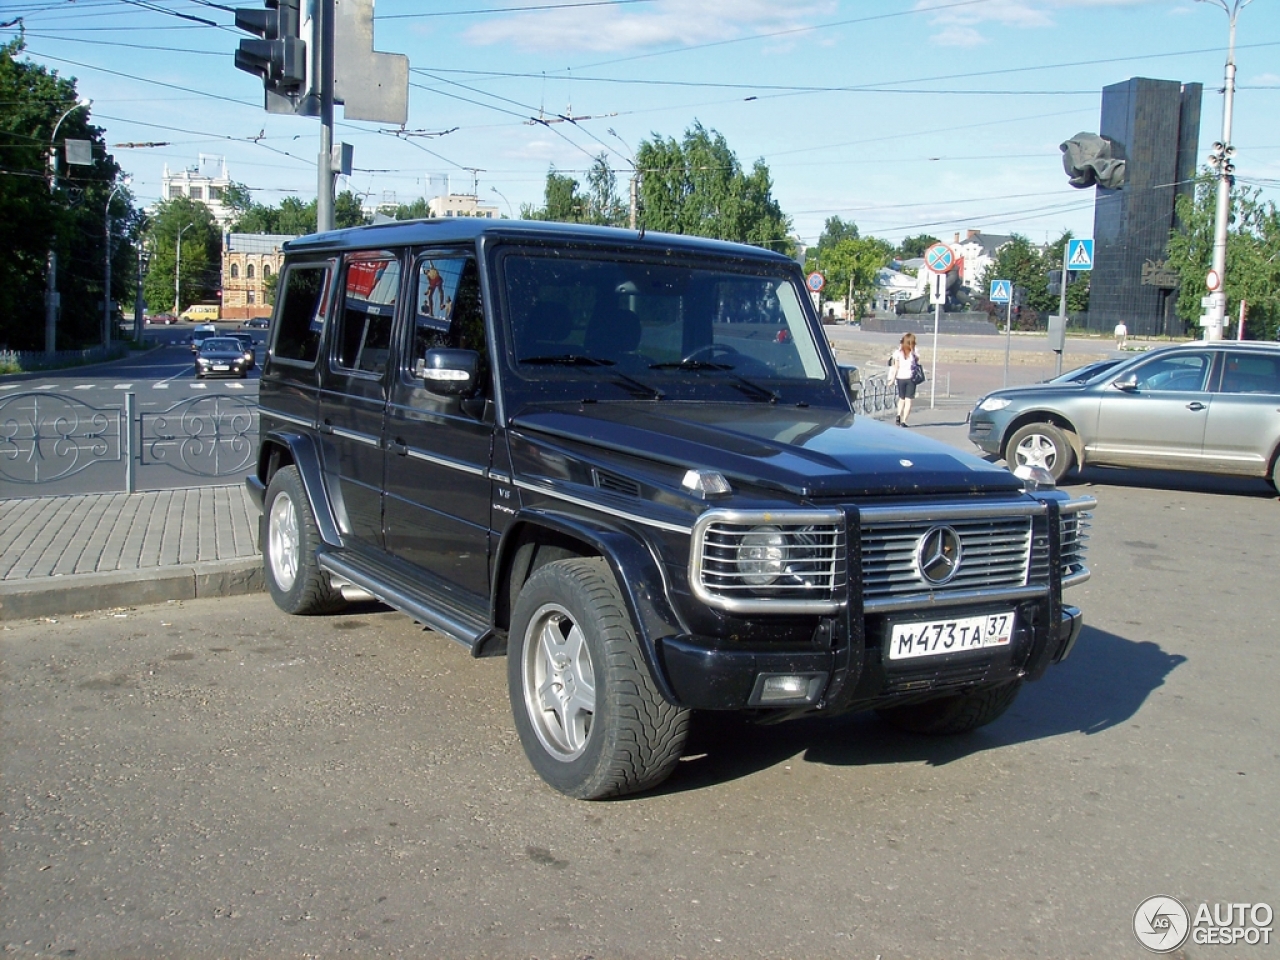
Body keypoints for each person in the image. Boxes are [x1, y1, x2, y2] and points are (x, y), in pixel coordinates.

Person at [888, 332, 920, 427]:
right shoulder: (914, 352)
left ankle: (898, 415)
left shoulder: (898, 353)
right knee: (908, 400)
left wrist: (892, 380)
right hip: (910, 378)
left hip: (900, 378)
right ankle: (904, 421)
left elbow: (896, 367)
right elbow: (917, 361)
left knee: (901, 399)